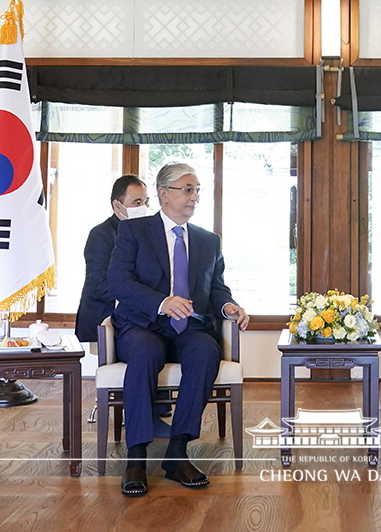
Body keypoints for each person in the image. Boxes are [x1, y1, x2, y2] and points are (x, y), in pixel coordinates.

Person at [108, 162, 250, 497]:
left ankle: (177, 453)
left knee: (205, 351)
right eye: (187, 189)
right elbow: (117, 282)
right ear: (163, 194)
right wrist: (162, 302)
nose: (195, 197)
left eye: (197, 190)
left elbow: (216, 288)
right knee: (144, 353)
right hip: (144, 324)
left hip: (189, 328)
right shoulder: (134, 232)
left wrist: (228, 305)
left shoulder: (208, 241)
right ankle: (137, 458)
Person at [74, 175, 152, 344]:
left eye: (146, 201)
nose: (144, 207)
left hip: (136, 321)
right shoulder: (101, 234)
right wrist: (141, 298)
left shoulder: (147, 234)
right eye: (137, 202)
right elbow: (99, 283)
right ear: (117, 205)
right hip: (102, 318)